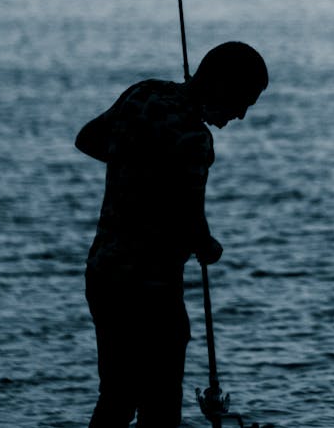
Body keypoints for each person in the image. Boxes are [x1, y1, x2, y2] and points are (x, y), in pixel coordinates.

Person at [76, 41, 268, 427]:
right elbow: (191, 220)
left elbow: (89, 139)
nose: (242, 115)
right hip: (152, 289)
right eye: (242, 100)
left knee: (115, 396)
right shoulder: (194, 139)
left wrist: (137, 165)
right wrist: (210, 247)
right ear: (219, 85)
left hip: (104, 275)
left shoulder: (142, 94)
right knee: (160, 406)